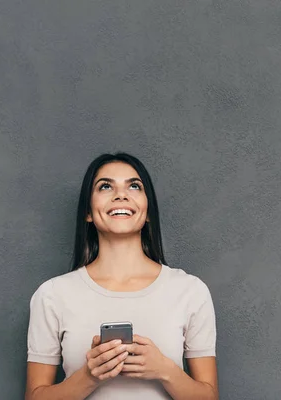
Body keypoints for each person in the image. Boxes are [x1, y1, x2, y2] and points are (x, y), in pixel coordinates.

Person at [25, 152, 218, 399]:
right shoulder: (52, 295)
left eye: (134, 186)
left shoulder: (190, 291)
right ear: (88, 212)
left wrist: (164, 370)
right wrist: (90, 376)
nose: (121, 194)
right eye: (105, 186)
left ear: (147, 211)